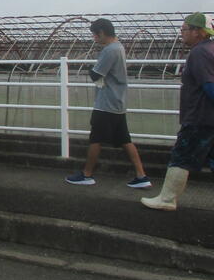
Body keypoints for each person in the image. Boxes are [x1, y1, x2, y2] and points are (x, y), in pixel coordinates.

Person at [65, 19, 150, 188]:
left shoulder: (110, 50)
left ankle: (87, 174)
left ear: (102, 33)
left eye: (95, 35)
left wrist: (90, 69)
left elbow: (96, 74)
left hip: (106, 103)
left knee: (96, 138)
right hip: (118, 102)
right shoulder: (119, 47)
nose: (94, 38)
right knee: (124, 139)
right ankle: (141, 176)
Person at [142, 12, 214, 211]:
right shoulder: (211, 49)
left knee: (181, 156)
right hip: (209, 117)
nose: (181, 33)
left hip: (199, 117)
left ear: (197, 32)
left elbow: (209, 86)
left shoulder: (199, 53)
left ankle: (167, 199)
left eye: (184, 29)